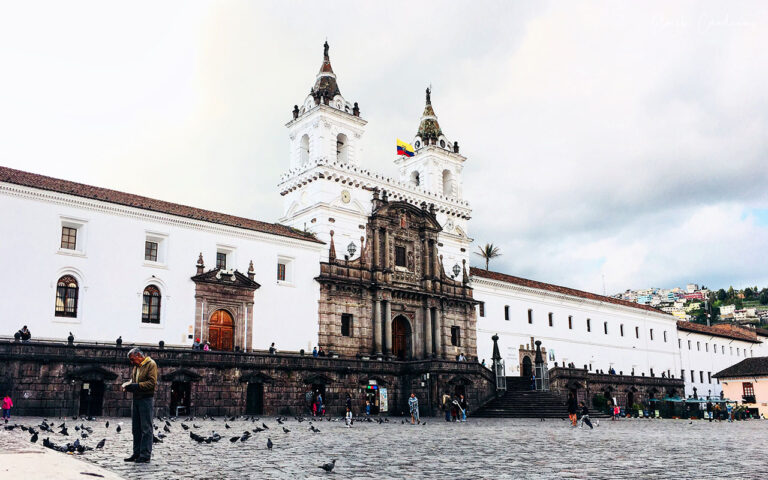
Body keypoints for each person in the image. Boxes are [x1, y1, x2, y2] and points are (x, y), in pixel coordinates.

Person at [123, 347, 158, 463]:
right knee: (136, 428)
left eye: (133, 359)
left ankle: (145, 455)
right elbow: (134, 380)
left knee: (146, 428)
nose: (132, 362)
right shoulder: (136, 367)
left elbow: (152, 383)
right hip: (136, 399)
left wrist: (136, 386)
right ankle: (136, 453)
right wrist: (129, 385)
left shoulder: (151, 364)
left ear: (139, 355)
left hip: (146, 399)